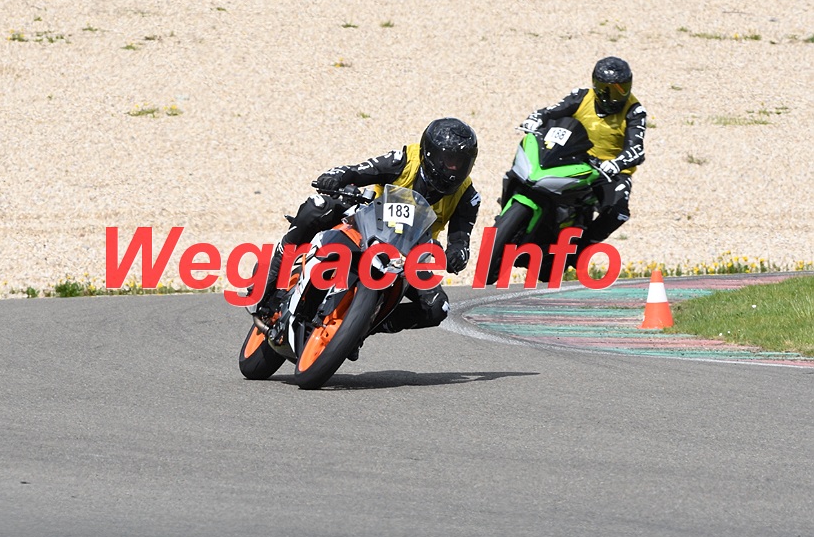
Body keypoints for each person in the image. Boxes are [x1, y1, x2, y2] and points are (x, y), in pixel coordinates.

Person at [256, 117, 481, 336]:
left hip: (410, 255)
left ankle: (363, 327)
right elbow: (358, 171)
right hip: (367, 224)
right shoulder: (404, 160)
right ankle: (274, 276)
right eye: (448, 160)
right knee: (317, 207)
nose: (453, 169)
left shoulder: (467, 196)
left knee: (438, 308)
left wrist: (456, 255)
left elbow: (460, 240)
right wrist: (337, 177)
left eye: (460, 162)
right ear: (430, 153)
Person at [515, 56, 647, 256]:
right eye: (608, 89)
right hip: (574, 157)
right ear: (596, 85)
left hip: (609, 170)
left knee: (618, 212)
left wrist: (616, 163)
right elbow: (551, 112)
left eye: (622, 88)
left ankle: (579, 252)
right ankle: (514, 201)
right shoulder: (581, 96)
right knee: (531, 165)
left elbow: (636, 148)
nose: (615, 96)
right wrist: (536, 118)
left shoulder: (635, 111)